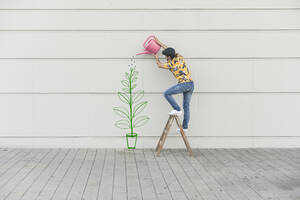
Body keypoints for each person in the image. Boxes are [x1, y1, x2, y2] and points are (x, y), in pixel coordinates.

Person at [153, 36, 194, 134]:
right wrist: (159, 42)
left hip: (184, 84)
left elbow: (159, 65)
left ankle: (177, 109)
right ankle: (184, 127)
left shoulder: (171, 64)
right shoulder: (179, 57)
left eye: (166, 56)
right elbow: (168, 49)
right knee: (186, 106)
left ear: (169, 57)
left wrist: (156, 57)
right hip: (191, 84)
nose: (165, 58)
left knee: (167, 93)